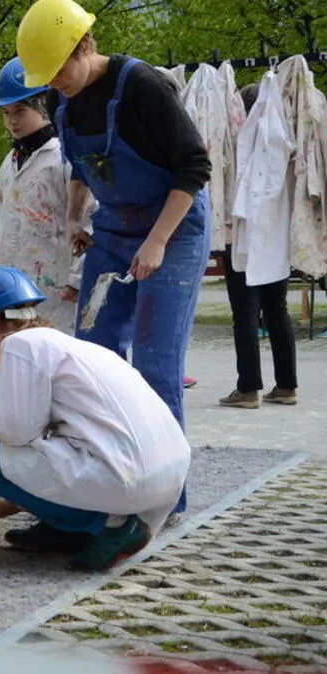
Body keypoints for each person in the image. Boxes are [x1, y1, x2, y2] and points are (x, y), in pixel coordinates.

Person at [18, 0, 211, 513]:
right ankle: (104, 485)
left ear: (84, 46)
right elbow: (83, 167)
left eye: (60, 68)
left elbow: (194, 167)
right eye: (47, 76)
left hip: (174, 226)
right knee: (92, 357)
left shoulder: (142, 87)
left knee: (155, 361)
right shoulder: (62, 103)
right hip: (114, 229)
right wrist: (74, 217)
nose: (55, 81)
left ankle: (165, 499)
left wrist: (157, 241)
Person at [0, 266, 190, 571]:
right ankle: (70, 529)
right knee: (35, 449)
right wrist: (8, 507)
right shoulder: (64, 345)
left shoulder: (18, 346)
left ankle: (106, 527)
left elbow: (15, 433)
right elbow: (56, 457)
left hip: (127, 477)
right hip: (165, 475)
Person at [0, 56, 86, 462]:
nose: (13, 121)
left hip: (53, 293)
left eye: (21, 111)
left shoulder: (65, 160)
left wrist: (77, 279)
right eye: (7, 113)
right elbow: (7, 223)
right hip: (7, 292)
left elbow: (86, 221)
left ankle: (42, 464)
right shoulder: (8, 166)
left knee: (42, 381)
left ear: (44, 105)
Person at [219, 82, 297, 409]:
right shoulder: (283, 147)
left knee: (246, 313)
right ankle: (287, 385)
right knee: (277, 310)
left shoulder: (240, 147)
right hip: (276, 241)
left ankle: (249, 387)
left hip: (243, 240)